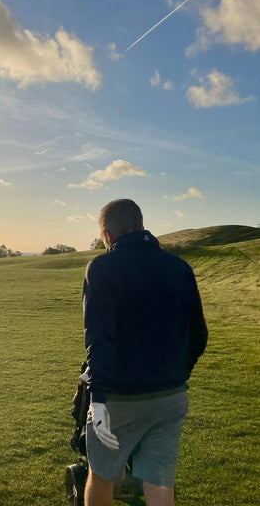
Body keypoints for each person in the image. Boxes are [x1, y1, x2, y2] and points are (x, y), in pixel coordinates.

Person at [82, 199, 208, 506]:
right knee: (159, 480)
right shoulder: (179, 267)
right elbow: (199, 335)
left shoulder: (101, 267)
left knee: (101, 475)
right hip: (170, 396)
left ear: (108, 235)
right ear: (140, 225)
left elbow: (98, 339)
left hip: (117, 400)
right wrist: (176, 373)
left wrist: (97, 399)